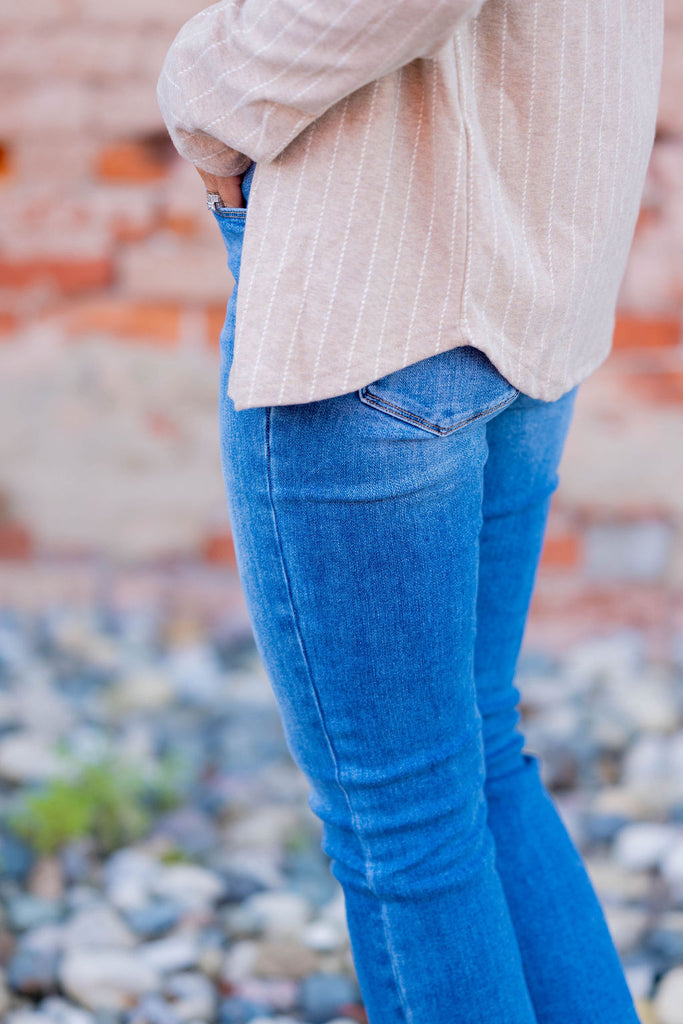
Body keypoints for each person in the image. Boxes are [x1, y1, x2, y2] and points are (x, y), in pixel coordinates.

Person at [157, 2, 664, 1021]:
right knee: (475, 758)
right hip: (530, 269)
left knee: (406, 827)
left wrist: (206, 84)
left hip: (380, 283)